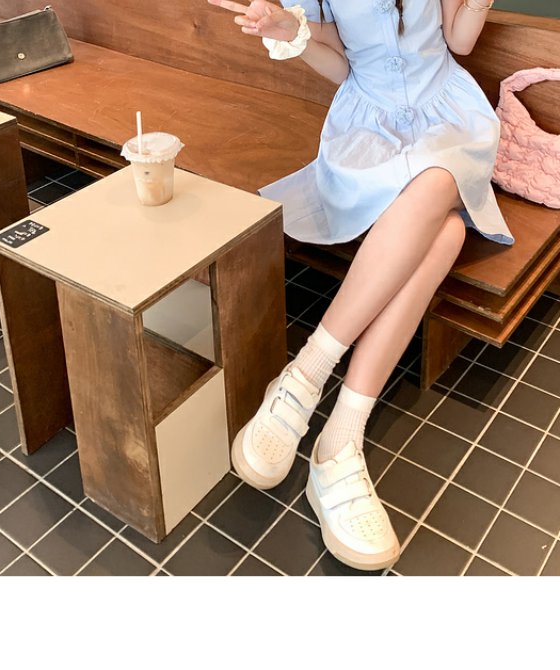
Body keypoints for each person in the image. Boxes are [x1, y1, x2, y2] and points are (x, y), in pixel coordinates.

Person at [211, 0, 511, 571]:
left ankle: (304, 378)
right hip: (366, 127)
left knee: (438, 181)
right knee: (447, 232)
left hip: (449, 120)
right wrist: (293, 31)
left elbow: (460, 41)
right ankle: (340, 441)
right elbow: (341, 63)